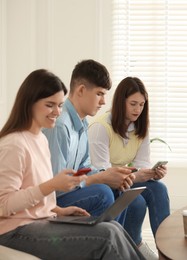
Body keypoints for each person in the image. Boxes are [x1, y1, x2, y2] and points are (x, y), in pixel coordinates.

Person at [0, 69, 144, 259]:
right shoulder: (14, 144)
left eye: (60, 105)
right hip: (13, 231)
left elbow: (33, 194)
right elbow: (3, 205)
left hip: (41, 220)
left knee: (112, 226)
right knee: (107, 236)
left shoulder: (40, 139)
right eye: (50, 105)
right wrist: (51, 186)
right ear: (29, 103)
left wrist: (59, 210)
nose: (57, 112)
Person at [42, 60, 155, 259]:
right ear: (82, 90)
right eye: (100, 94)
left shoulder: (82, 123)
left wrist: (109, 174)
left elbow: (85, 167)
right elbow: (55, 186)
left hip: (71, 190)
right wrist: (99, 179)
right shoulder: (61, 126)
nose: (103, 102)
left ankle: (116, 252)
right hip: (54, 199)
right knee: (103, 192)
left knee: (122, 192)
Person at [88, 77, 170, 257]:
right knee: (137, 202)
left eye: (141, 105)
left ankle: (166, 252)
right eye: (133, 104)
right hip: (107, 183)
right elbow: (102, 174)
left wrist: (152, 173)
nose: (138, 110)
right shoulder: (100, 127)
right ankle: (135, 245)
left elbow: (141, 164)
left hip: (127, 179)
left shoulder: (140, 128)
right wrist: (138, 176)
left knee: (159, 189)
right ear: (120, 102)